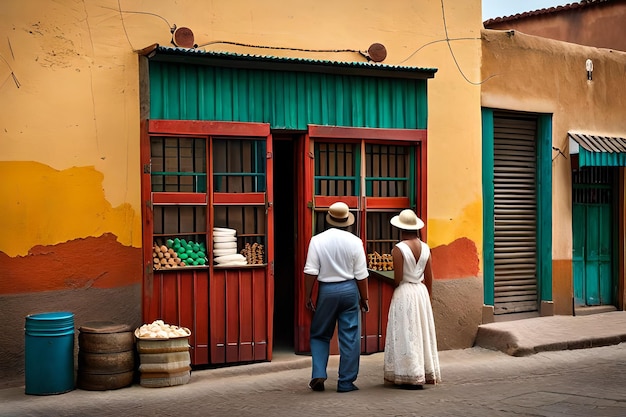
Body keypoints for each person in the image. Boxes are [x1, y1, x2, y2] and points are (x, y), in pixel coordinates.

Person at [304, 201, 370, 393]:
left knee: (319, 334)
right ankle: (346, 382)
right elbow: (362, 274)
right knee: (349, 337)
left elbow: (310, 271)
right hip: (350, 290)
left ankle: (318, 373)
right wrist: (364, 298)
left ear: (329, 220)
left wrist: (308, 295)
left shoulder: (317, 240)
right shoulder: (355, 242)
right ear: (347, 221)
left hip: (326, 291)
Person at [384, 209, 441, 389]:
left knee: (405, 333)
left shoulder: (399, 249)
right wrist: (428, 297)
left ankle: (409, 372)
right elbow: (430, 277)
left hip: (405, 292)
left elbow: (398, 277)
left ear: (400, 229)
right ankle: (423, 371)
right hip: (421, 292)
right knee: (421, 332)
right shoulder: (425, 247)